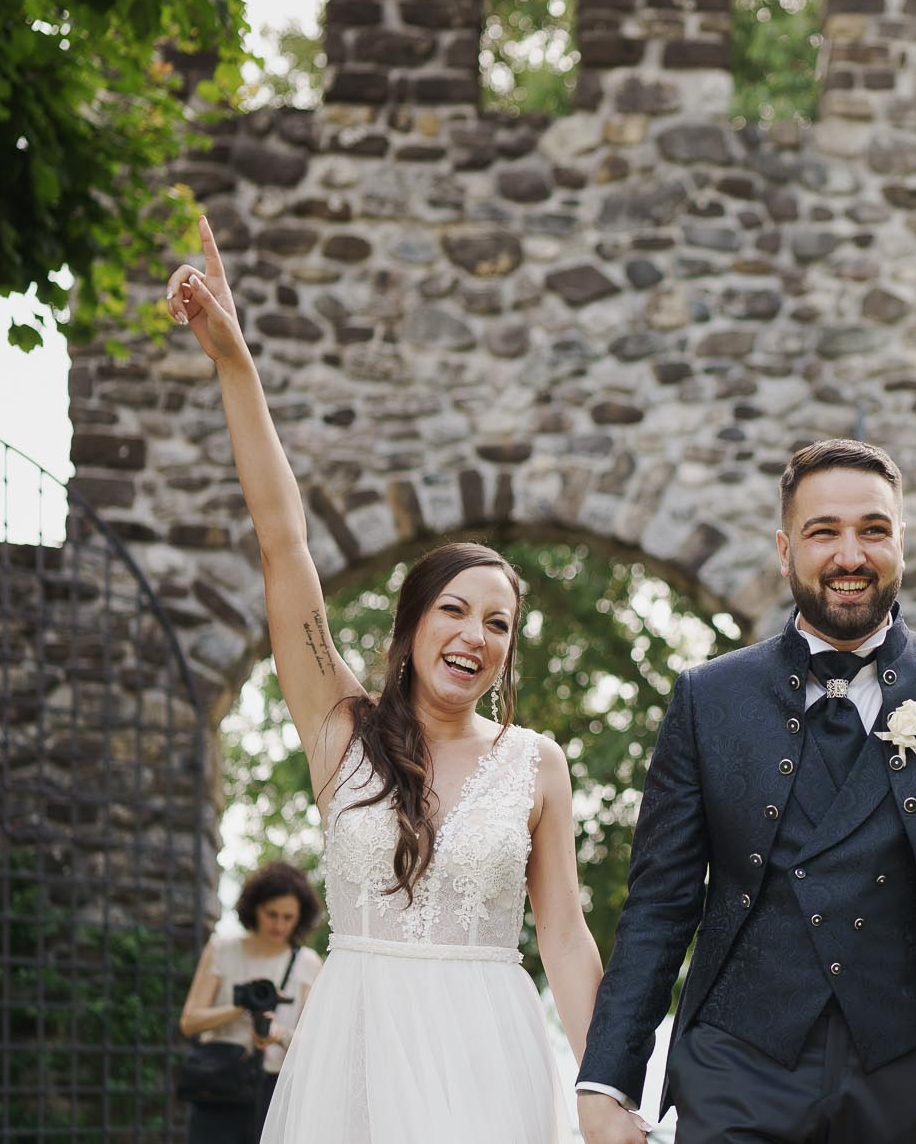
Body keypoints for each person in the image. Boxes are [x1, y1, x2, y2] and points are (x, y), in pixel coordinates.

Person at [163, 217, 619, 1144]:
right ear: (411, 626)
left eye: (499, 623)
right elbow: (280, 538)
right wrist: (235, 366)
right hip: (357, 1053)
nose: (475, 634)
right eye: (454, 609)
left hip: (492, 1051)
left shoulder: (538, 764)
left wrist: (606, 1091)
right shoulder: (341, 726)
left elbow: (565, 938)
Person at [577, 439, 916, 1144]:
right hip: (739, 1062)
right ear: (784, 549)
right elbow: (659, 903)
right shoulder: (707, 698)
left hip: (911, 1065)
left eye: (873, 529)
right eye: (823, 531)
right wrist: (607, 1079)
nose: (850, 555)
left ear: (902, 542)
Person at [180, 862, 326, 1144]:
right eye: (271, 914)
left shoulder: (307, 964)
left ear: (300, 917)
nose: (279, 924)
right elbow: (189, 1022)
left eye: (288, 917)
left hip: (275, 1090)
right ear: (255, 908)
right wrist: (240, 1006)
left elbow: (316, 1046)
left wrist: (279, 1034)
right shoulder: (222, 949)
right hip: (220, 1086)